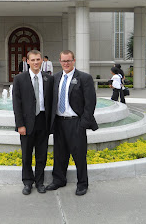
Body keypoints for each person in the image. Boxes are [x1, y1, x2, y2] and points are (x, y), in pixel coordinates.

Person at [46, 50, 98, 196]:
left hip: (76, 122)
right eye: (63, 61)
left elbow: (90, 103)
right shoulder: (55, 78)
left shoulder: (84, 78)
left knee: (79, 155)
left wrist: (83, 123)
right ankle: (58, 180)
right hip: (59, 122)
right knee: (59, 154)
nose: (66, 64)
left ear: (73, 60)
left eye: (68, 61)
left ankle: (82, 183)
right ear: (60, 61)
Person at [12, 50, 54, 195]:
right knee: (27, 155)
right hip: (27, 122)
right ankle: (27, 182)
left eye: (38, 59)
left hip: (43, 120)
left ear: (42, 60)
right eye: (33, 60)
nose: (36, 62)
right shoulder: (19, 79)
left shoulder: (48, 78)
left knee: (42, 154)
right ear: (27, 62)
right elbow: (16, 104)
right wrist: (20, 125)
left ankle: (40, 182)